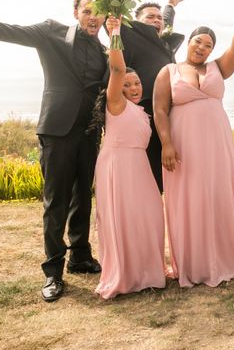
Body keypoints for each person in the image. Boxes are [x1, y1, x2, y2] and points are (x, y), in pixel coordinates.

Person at [0, 0, 105, 302]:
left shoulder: (106, 51)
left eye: (99, 12)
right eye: (87, 11)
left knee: (82, 197)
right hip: (57, 131)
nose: (93, 17)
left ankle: (80, 257)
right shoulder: (50, 31)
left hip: (90, 133)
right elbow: (7, 30)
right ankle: (53, 272)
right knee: (55, 202)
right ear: (76, 12)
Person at [153, 0, 234, 287]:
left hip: (216, 143)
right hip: (183, 143)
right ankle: (192, 261)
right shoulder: (169, 72)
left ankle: (222, 257)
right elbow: (160, 110)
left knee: (215, 194)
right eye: (198, 41)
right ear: (188, 42)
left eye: (208, 45)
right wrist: (166, 144)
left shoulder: (218, 68)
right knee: (188, 197)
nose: (202, 48)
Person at [74, 0, 185, 191]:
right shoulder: (128, 30)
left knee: (164, 173)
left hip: (167, 111)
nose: (157, 21)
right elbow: (107, 0)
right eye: (150, 17)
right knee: (142, 172)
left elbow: (164, 20)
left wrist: (169, 7)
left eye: (160, 18)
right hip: (139, 108)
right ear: (133, 22)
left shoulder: (161, 38)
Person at [92, 16, 166, 299]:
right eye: (127, 85)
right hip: (116, 166)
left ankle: (149, 271)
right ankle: (125, 274)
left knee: (148, 216)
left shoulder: (142, 111)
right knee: (121, 218)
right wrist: (115, 33)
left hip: (140, 166)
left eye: (137, 84)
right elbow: (117, 68)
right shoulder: (116, 104)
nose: (134, 89)